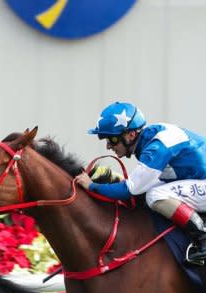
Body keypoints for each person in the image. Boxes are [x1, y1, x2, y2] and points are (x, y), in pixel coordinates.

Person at [76, 101, 206, 264]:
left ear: (131, 135)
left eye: (112, 139)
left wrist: (91, 186)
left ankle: (202, 238)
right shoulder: (148, 138)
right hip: (197, 180)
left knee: (155, 195)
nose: (109, 146)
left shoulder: (156, 148)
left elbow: (129, 190)